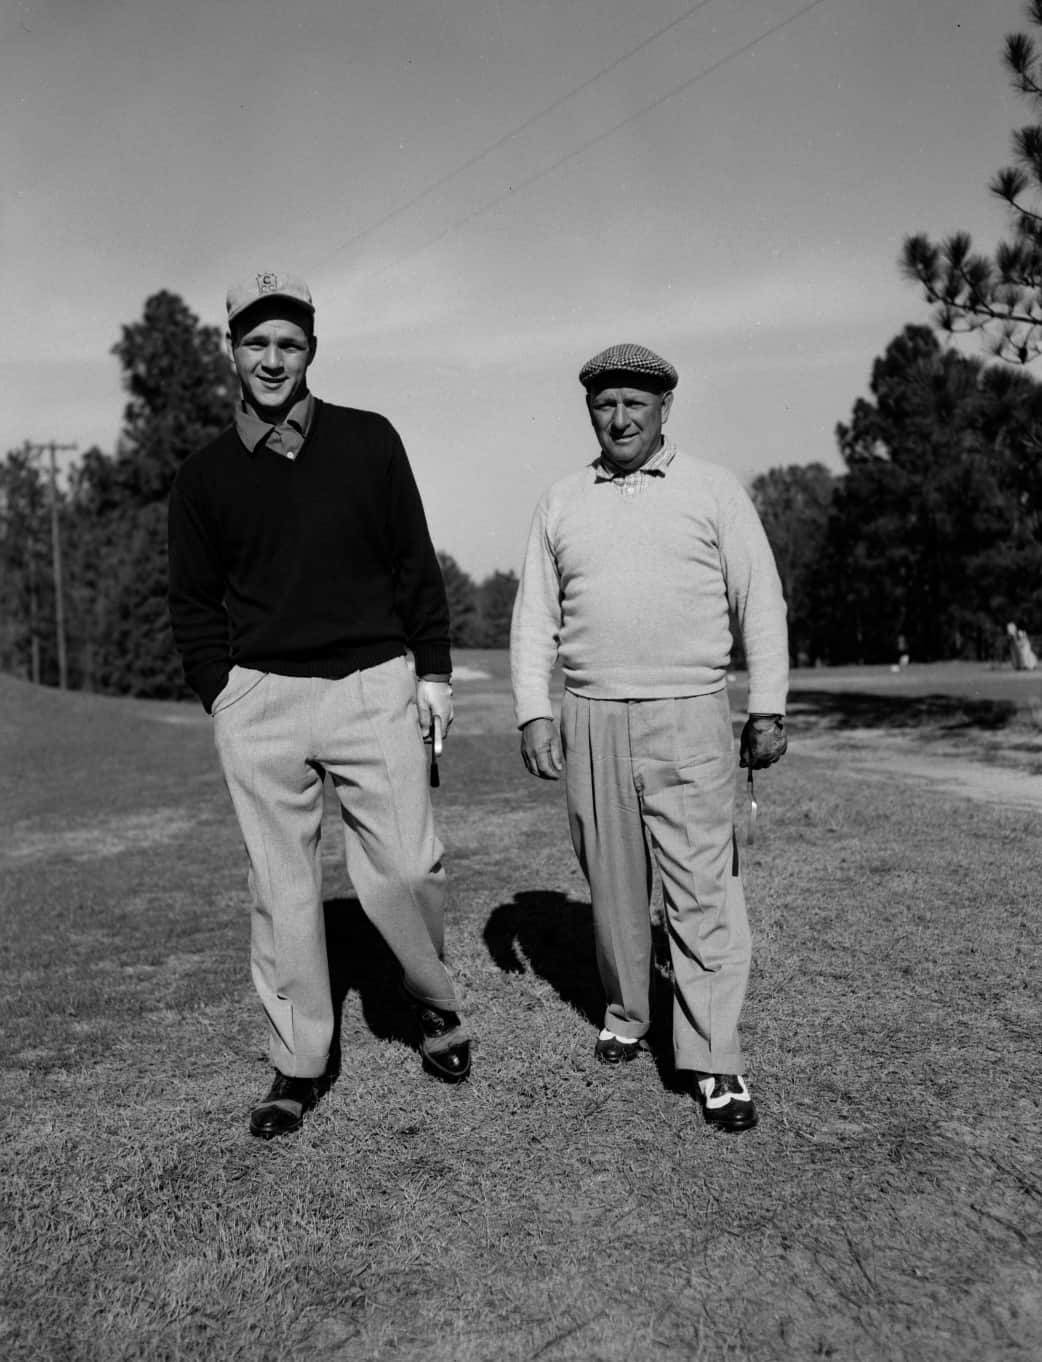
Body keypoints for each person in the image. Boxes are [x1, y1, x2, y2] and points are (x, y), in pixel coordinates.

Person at [168, 271, 470, 1140]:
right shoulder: (203, 476)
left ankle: (436, 1008)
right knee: (284, 890)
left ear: (311, 350)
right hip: (261, 699)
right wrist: (223, 692)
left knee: (409, 865)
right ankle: (297, 1064)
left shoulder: (369, 442)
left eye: (288, 344)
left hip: (373, 682)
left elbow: (415, 562)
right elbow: (192, 603)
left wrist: (435, 672)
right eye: (255, 344)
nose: (272, 360)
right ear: (231, 351)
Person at [510, 342, 788, 1133]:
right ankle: (629, 1012)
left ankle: (715, 1059)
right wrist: (536, 708)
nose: (621, 417)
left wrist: (766, 703)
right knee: (614, 882)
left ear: (666, 407)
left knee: (703, 890)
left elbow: (758, 597)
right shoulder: (562, 500)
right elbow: (535, 616)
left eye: (637, 402)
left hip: (690, 710)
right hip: (592, 713)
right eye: (605, 404)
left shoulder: (713, 490)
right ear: (589, 411)